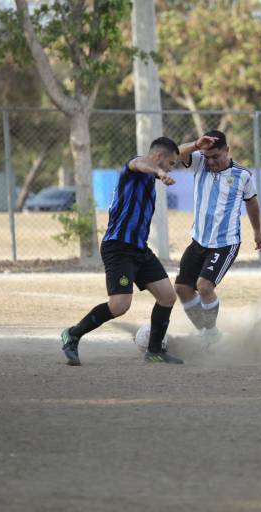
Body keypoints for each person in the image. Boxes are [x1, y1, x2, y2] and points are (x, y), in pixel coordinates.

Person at [60, 137, 184, 365]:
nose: (171, 168)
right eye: (171, 163)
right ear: (158, 157)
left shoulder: (155, 166)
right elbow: (140, 164)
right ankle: (72, 334)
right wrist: (159, 172)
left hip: (139, 249)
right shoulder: (136, 167)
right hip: (118, 247)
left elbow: (176, 152)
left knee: (167, 297)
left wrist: (198, 145)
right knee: (119, 306)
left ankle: (155, 351)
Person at [173, 130, 261, 339]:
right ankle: (208, 333)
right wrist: (197, 145)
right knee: (181, 288)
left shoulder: (242, 175)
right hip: (198, 241)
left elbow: (252, 203)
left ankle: (211, 333)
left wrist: (258, 232)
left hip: (225, 243)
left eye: (216, 156)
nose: (211, 162)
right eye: (207, 157)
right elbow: (175, 153)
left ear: (227, 150)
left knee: (204, 287)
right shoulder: (199, 163)